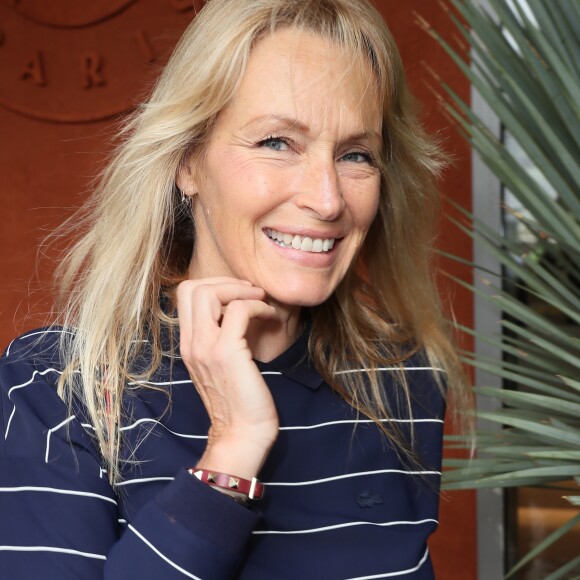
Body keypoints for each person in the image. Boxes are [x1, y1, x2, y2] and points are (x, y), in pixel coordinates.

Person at [0, 0, 466, 578]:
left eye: (355, 155)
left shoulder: (400, 376)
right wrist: (233, 448)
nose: (327, 199)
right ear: (187, 161)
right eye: (277, 142)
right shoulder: (59, 390)